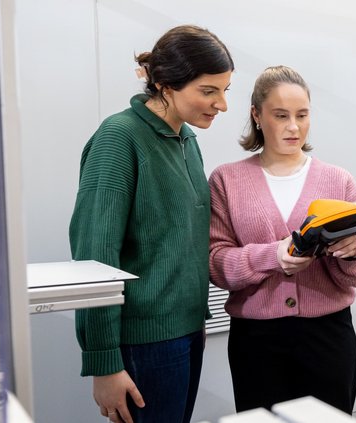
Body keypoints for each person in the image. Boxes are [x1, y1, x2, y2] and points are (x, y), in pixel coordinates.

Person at [69, 25, 234, 423]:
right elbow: (95, 257)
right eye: (208, 91)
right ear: (164, 84)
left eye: (225, 89)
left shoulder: (186, 140)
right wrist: (104, 362)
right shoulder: (119, 138)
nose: (222, 104)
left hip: (187, 331)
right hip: (143, 344)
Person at [208, 65, 356, 414]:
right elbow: (216, 264)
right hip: (256, 342)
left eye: (302, 115)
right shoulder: (227, 180)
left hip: (328, 336)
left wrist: (353, 252)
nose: (294, 126)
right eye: (281, 115)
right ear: (256, 115)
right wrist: (272, 256)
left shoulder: (338, 181)